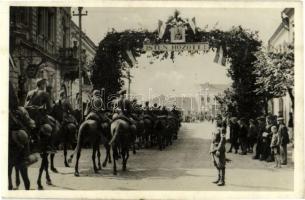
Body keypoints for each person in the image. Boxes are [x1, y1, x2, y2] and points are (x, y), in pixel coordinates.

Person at [210, 118, 227, 186]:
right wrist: (211, 149)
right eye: (215, 121)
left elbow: (223, 140)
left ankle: (222, 180)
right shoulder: (215, 129)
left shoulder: (222, 129)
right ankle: (219, 178)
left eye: (217, 121)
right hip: (214, 148)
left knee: (221, 165)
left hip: (219, 149)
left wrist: (218, 150)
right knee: (217, 165)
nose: (215, 122)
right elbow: (212, 140)